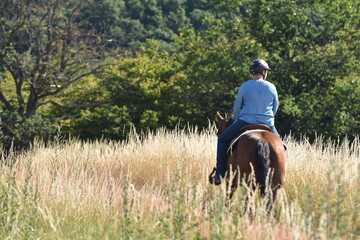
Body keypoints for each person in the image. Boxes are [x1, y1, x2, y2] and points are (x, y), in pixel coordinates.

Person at [209, 59, 280, 185]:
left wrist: (236, 119)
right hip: (268, 123)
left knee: (223, 140)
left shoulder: (245, 86)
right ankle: (279, 174)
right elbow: (275, 106)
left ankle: (220, 173)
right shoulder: (272, 87)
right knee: (281, 147)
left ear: (253, 72)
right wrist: (268, 118)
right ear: (264, 72)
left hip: (245, 122)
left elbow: (237, 107)